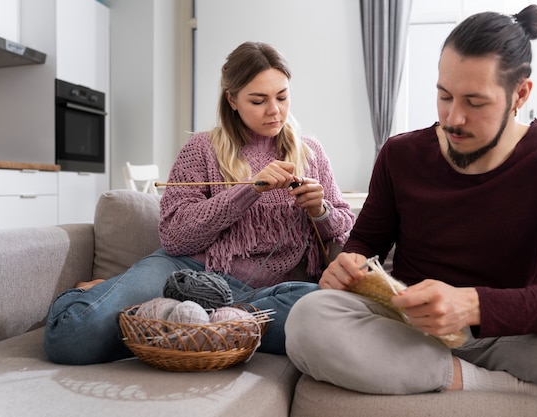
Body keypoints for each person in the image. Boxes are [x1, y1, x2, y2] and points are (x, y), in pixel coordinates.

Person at [284, 5, 537, 416]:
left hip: (514, 333)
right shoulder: (400, 154)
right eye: (444, 96)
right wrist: (347, 265)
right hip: (407, 327)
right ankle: (488, 385)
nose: (453, 118)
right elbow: (366, 242)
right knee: (307, 318)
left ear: (520, 94)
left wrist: (473, 306)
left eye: (475, 102)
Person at [44, 41, 355, 365]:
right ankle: (112, 301)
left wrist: (320, 211)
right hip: (187, 272)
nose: (274, 110)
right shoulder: (201, 148)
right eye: (258, 100)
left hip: (263, 296)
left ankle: (181, 317)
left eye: (282, 96)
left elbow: (344, 231)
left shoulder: (310, 151)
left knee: (329, 317)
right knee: (72, 338)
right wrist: (249, 189)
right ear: (232, 99)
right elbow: (176, 237)